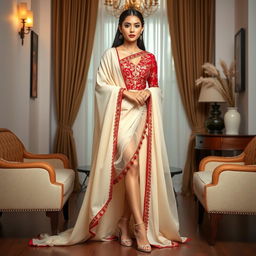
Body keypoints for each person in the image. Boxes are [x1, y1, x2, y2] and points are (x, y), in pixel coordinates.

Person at [30, 7, 188, 253]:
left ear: (143, 28)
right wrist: (126, 92)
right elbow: (102, 87)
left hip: (142, 117)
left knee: (132, 168)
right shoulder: (110, 55)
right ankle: (139, 226)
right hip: (120, 118)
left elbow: (156, 88)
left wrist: (149, 93)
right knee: (131, 165)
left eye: (137, 25)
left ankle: (125, 222)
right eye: (127, 25)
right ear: (119, 28)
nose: (132, 30)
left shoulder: (149, 58)